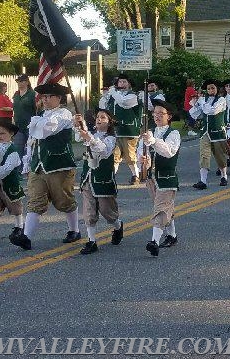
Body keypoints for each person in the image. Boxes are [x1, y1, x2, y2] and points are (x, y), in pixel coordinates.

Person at [10, 82, 80, 251]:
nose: (45, 100)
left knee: (64, 201)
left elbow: (47, 130)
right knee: (35, 201)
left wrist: (36, 123)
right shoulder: (41, 115)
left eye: (49, 97)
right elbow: (32, 141)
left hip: (59, 165)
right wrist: (27, 162)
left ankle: (74, 230)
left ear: (59, 98)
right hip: (38, 166)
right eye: (44, 97)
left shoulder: (64, 115)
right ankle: (26, 237)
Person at [74, 109, 123, 255]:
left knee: (107, 211)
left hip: (103, 179)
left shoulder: (111, 138)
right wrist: (79, 124)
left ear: (109, 122)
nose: (99, 119)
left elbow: (103, 150)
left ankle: (118, 226)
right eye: (98, 117)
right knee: (89, 211)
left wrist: (88, 137)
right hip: (88, 178)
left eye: (103, 117)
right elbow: (79, 137)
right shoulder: (91, 134)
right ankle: (91, 241)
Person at [138, 99, 181, 256]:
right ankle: (172, 235)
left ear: (168, 116)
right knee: (165, 207)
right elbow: (141, 153)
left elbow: (169, 151)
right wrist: (143, 161)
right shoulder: (150, 133)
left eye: (160, 113)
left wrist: (154, 141)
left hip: (167, 178)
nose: (157, 116)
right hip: (152, 178)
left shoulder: (174, 133)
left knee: (160, 209)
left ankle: (154, 241)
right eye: (155, 113)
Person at [189, 79, 228, 189]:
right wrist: (195, 104)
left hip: (218, 132)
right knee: (204, 156)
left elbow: (212, 111)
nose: (211, 90)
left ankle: (224, 176)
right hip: (205, 132)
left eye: (213, 88)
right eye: (209, 88)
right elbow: (196, 115)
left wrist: (201, 102)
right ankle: (203, 181)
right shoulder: (204, 100)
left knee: (220, 156)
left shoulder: (221, 100)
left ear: (217, 89)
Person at [106, 73, 142, 185]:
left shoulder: (133, 96)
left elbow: (124, 103)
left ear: (129, 84)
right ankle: (111, 177)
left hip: (129, 129)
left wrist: (112, 92)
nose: (122, 84)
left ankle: (135, 175)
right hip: (115, 130)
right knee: (114, 155)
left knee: (129, 155)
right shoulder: (114, 96)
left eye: (124, 82)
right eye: (120, 82)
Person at [12, 74, 36, 158]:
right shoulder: (16, 94)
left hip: (30, 126)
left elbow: (36, 109)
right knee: (18, 150)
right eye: (18, 81)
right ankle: (19, 170)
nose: (19, 83)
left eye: (21, 81)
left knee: (31, 150)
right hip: (18, 127)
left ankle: (31, 169)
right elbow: (15, 108)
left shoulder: (32, 94)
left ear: (26, 82)